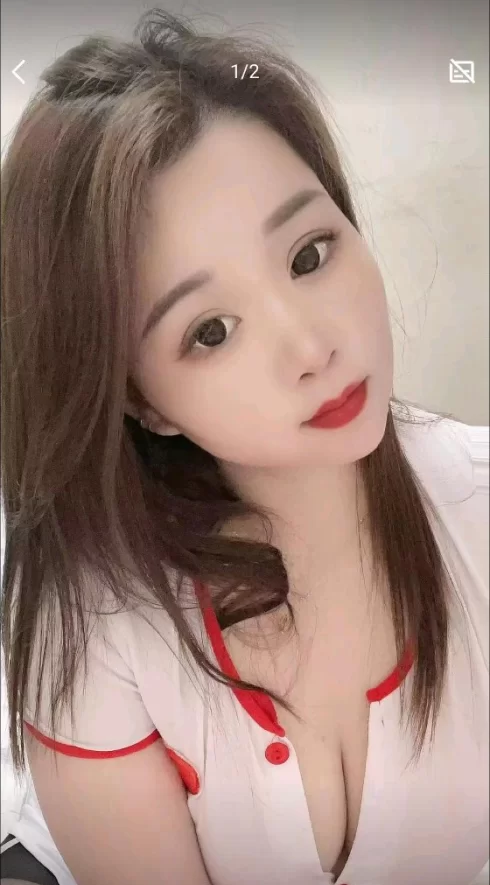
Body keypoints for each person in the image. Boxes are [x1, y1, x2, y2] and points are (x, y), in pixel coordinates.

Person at [1, 8, 488, 885]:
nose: (312, 347)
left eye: (309, 254)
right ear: (141, 403)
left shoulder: (477, 506)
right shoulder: (99, 619)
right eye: (211, 331)